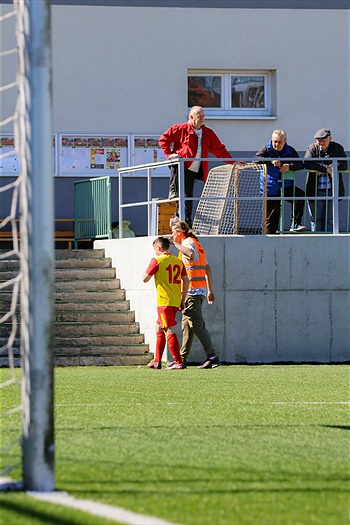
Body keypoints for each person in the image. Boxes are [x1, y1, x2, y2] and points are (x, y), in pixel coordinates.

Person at [158, 106, 241, 227]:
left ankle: (184, 222)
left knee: (188, 196)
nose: (202, 119)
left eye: (203, 116)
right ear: (191, 117)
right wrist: (169, 154)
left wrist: (232, 161)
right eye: (199, 116)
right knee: (181, 193)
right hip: (182, 166)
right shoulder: (180, 128)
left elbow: (219, 149)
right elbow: (163, 139)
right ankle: (175, 200)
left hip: (193, 169)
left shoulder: (207, 133)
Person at [169, 221, 219, 369]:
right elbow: (207, 269)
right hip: (198, 291)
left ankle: (212, 356)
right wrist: (209, 290)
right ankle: (181, 359)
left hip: (192, 292)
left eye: (173, 232)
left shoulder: (188, 244)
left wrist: (173, 244)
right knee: (187, 326)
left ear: (179, 232)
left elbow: (189, 254)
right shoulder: (197, 244)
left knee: (196, 325)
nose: (172, 235)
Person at [142, 236, 189, 370]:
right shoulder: (178, 261)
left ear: (159, 248)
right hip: (175, 300)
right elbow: (186, 280)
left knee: (168, 329)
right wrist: (182, 299)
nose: (155, 252)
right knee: (159, 327)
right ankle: (157, 361)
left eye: (155, 250)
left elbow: (145, 278)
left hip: (164, 301)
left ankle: (178, 361)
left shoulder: (157, 260)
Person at [255, 130, 306, 234]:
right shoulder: (266, 149)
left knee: (300, 196)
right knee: (272, 218)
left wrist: (289, 166)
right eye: (275, 141)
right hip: (270, 188)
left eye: (279, 142)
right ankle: (269, 239)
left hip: (286, 186)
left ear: (285, 141)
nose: (276, 144)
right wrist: (270, 161)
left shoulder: (291, 151)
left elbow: (300, 164)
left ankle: (295, 224)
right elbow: (255, 160)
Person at [304, 128, 347, 232]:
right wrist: (326, 169)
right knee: (316, 220)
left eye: (323, 140)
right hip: (315, 190)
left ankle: (330, 243)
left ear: (330, 139)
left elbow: (343, 164)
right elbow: (307, 162)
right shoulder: (312, 148)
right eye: (318, 140)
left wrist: (327, 167)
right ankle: (316, 242)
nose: (320, 142)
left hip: (332, 190)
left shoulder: (337, 148)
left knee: (330, 220)